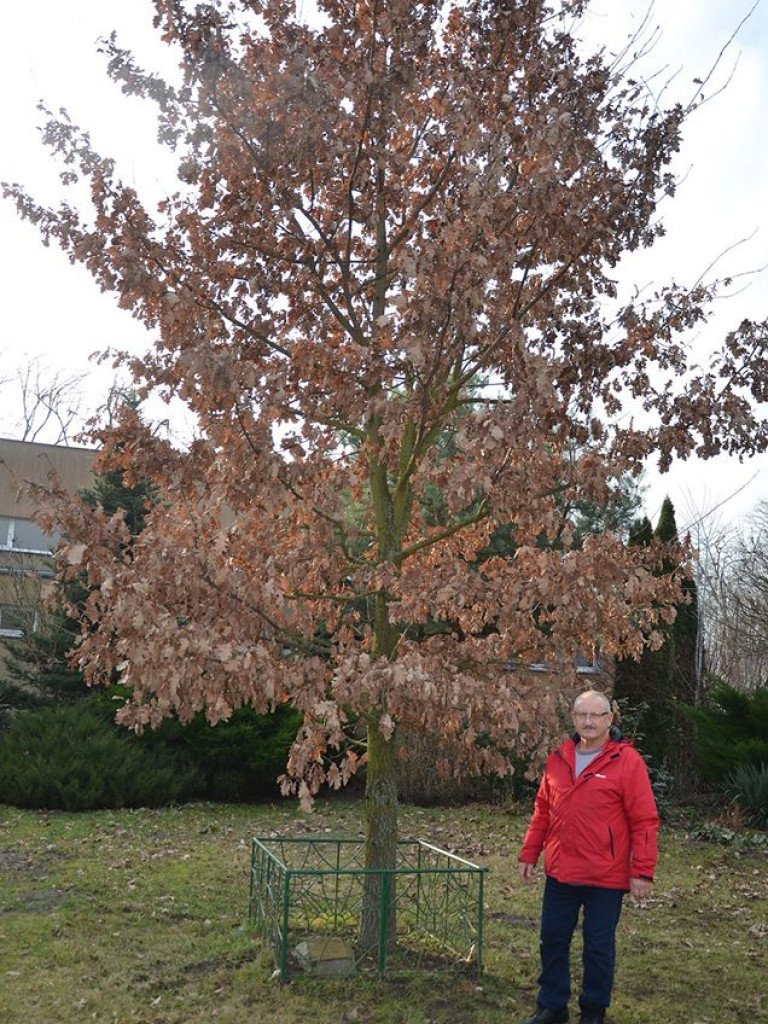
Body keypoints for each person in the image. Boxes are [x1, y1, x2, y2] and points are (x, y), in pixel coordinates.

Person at [515, 689, 659, 1024]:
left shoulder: (626, 762)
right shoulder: (558, 758)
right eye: (583, 715)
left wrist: (642, 870)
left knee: (597, 947)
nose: (589, 721)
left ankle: (593, 1012)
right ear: (574, 718)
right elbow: (542, 811)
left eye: (597, 715)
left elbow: (645, 820)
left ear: (610, 719)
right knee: (552, 939)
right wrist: (529, 853)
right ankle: (552, 1007)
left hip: (605, 877)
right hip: (561, 872)